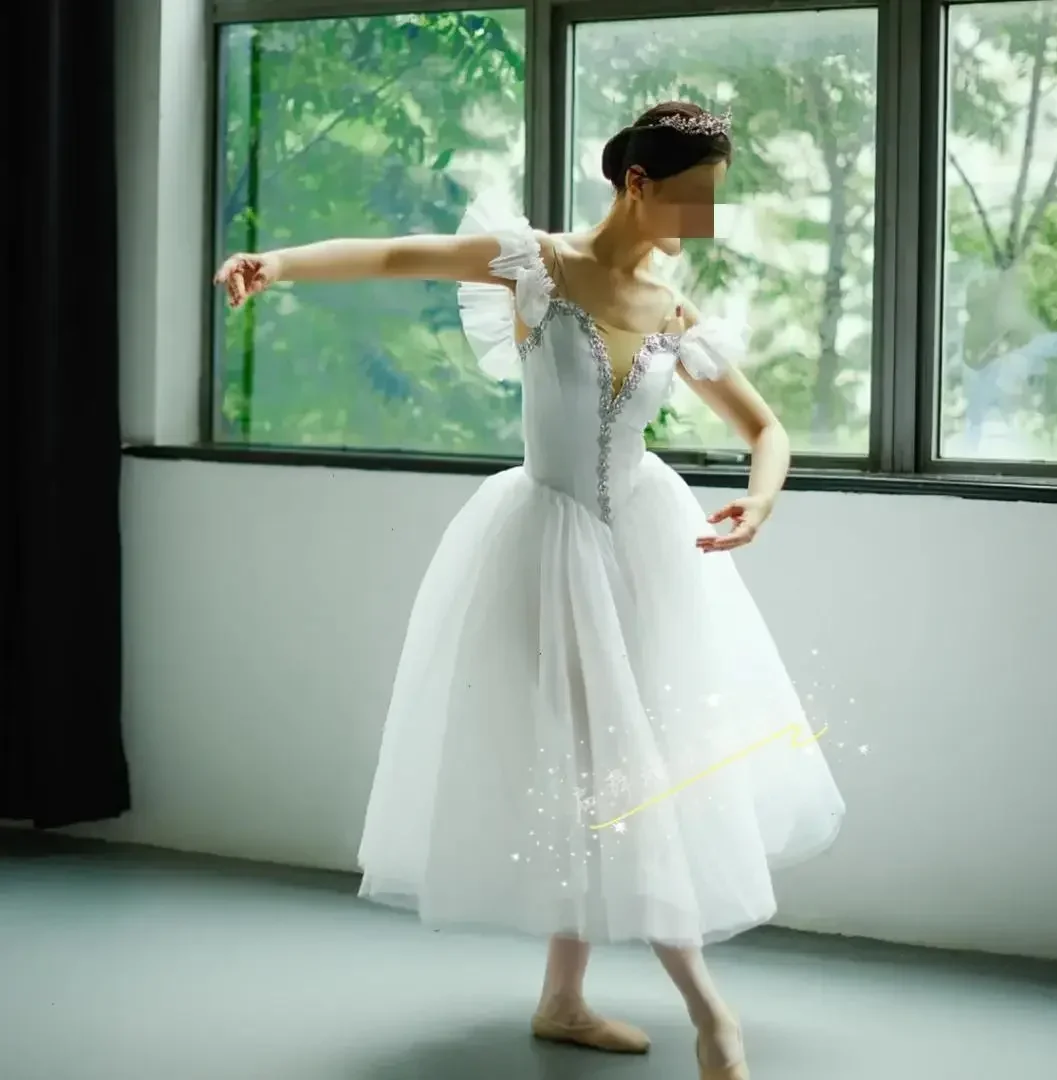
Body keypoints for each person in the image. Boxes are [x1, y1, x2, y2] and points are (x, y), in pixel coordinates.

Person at [215, 100, 845, 1080]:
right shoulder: (534, 266)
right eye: (694, 199)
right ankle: (711, 1014)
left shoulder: (674, 312)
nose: (706, 223)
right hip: (543, 548)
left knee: (606, 774)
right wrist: (279, 265)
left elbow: (767, 430)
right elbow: (395, 259)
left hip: (646, 550)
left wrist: (758, 506)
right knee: (617, 774)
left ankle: (562, 997)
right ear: (638, 185)